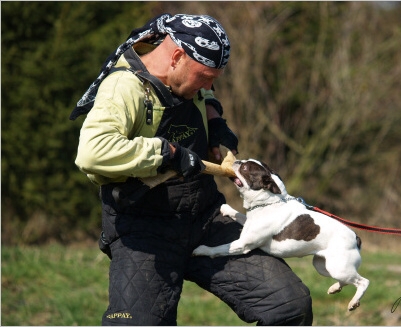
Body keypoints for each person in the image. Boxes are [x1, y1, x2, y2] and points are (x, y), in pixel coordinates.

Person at [71, 13, 313, 326]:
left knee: (289, 306)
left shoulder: (185, 76)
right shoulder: (123, 89)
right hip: (143, 230)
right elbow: (92, 154)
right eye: (205, 76)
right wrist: (165, 153)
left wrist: (214, 118)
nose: (209, 84)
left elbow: (201, 90)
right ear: (176, 56)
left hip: (206, 218)